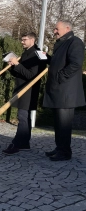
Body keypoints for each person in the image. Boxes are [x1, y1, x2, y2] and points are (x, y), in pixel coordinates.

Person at [43, 20, 85, 161]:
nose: (54, 31)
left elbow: (76, 64)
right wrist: (47, 58)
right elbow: (59, 63)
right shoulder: (61, 43)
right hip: (59, 90)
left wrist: (60, 76)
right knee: (58, 123)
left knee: (64, 124)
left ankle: (65, 152)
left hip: (66, 92)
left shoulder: (75, 42)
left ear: (67, 28)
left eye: (56, 29)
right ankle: (59, 147)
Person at [2, 32, 47, 155]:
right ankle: (25, 143)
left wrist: (17, 64)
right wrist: (12, 67)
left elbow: (32, 75)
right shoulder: (25, 53)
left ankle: (17, 143)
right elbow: (19, 73)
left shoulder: (37, 54)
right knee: (23, 117)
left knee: (22, 117)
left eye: (24, 39)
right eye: (22, 39)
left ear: (32, 40)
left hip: (29, 90)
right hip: (21, 88)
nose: (22, 42)